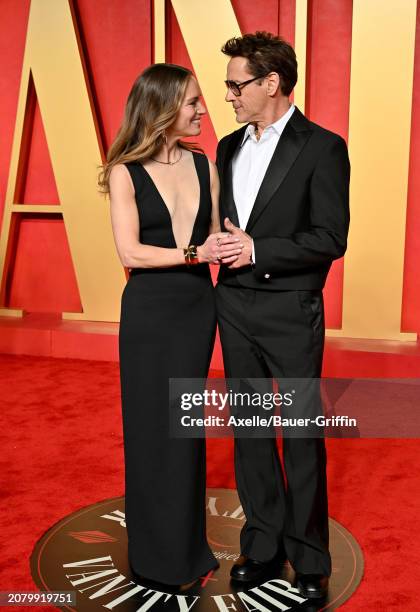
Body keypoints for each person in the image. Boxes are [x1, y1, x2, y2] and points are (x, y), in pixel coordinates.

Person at [214, 32, 350, 600]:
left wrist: (258, 251)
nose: (229, 97)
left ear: (272, 83)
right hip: (233, 304)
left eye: (236, 85)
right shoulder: (226, 147)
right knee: (248, 430)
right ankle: (262, 546)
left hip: (291, 308)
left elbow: (330, 237)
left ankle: (309, 557)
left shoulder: (322, 146)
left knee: (299, 433)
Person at [98, 63, 242, 588]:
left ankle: (188, 552)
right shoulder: (124, 171)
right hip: (150, 312)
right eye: (193, 103)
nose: (203, 110)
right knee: (148, 430)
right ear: (161, 109)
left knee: (184, 432)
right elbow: (129, 250)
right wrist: (195, 252)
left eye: (202, 101)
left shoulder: (204, 164)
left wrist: (231, 245)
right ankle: (154, 557)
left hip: (195, 310)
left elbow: (212, 237)